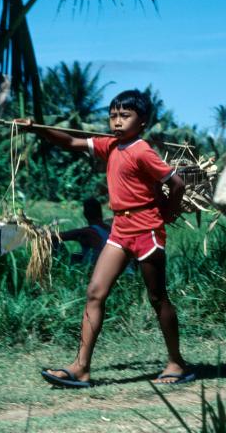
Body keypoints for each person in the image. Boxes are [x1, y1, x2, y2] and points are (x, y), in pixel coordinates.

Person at [15, 89, 195, 387]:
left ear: (143, 122)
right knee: (95, 293)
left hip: (146, 230)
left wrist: (167, 213)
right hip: (120, 230)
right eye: (113, 116)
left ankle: (177, 362)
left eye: (125, 116)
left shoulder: (141, 150)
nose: (117, 122)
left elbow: (175, 184)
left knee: (156, 297)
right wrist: (37, 128)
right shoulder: (109, 146)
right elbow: (72, 142)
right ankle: (81, 367)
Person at [55, 197, 110, 265]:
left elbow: (58, 236)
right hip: (112, 267)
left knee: (54, 241)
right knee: (76, 256)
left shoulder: (87, 232)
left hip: (95, 269)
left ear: (85, 213)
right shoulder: (109, 228)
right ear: (100, 213)